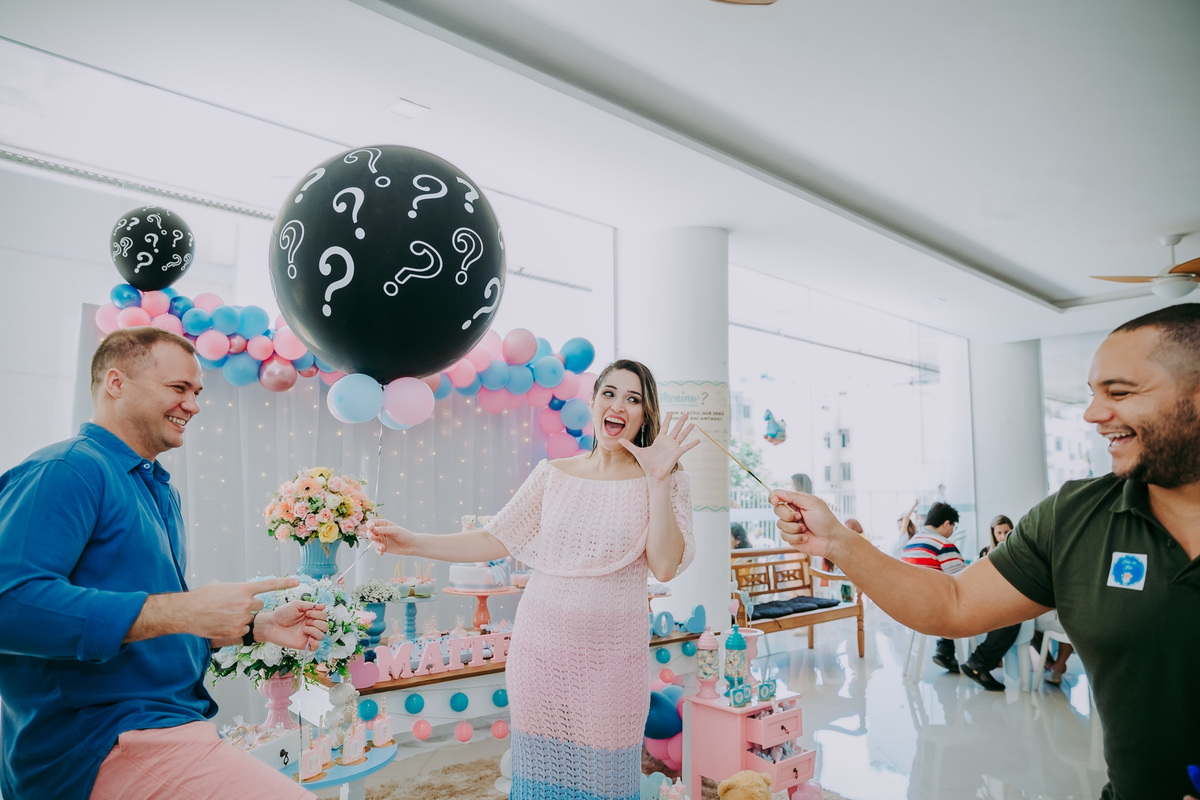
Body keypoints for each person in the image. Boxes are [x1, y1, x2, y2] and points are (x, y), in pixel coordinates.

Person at [769, 303, 1200, 800]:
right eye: (1093, 394)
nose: (1093, 415)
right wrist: (837, 542)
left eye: (1119, 392)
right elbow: (953, 602)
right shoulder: (1074, 516)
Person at [0, 327, 328, 800]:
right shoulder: (67, 469)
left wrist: (254, 628)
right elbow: (9, 606)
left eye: (196, 393)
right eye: (178, 388)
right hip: (98, 741)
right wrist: (186, 609)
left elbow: (147, 627)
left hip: (164, 726)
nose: (192, 405)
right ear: (116, 383)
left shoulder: (158, 488)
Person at [367, 358, 698, 800]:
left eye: (633, 398)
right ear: (593, 401)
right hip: (541, 651)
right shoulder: (553, 474)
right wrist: (412, 542)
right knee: (542, 782)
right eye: (609, 393)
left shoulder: (667, 479)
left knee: (607, 781)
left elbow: (665, 566)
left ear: (644, 413)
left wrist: (657, 481)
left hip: (614, 659)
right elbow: (493, 538)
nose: (619, 405)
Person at [957, 515, 1023, 692]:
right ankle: (977, 663)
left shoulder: (1018, 551)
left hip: (1009, 598)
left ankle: (1049, 664)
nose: (1003, 536)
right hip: (988, 599)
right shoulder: (985, 553)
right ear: (993, 534)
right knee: (1010, 621)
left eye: (1006, 532)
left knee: (1018, 618)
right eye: (999, 533)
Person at [899, 502, 967, 674]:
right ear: (946, 524)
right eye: (953, 526)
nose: (952, 531)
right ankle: (977, 658)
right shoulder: (943, 544)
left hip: (909, 606)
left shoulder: (910, 543)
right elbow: (962, 580)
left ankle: (945, 651)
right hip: (933, 609)